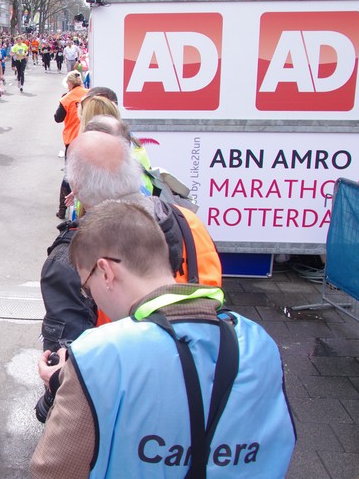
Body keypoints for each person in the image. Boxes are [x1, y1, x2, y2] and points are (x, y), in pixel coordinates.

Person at [23, 200, 295, 479]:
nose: (91, 299)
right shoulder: (259, 343)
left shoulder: (99, 354)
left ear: (105, 271)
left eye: (86, 288)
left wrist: (67, 387)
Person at [38, 126, 222, 356]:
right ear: (133, 169)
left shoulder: (73, 256)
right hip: (207, 355)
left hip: (124, 370)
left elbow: (68, 361)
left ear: (75, 187)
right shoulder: (188, 221)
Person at [54, 71, 88, 217]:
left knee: (69, 174)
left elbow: (57, 118)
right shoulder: (90, 94)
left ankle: (62, 209)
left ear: (70, 83)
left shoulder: (66, 99)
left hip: (73, 140)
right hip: (89, 138)